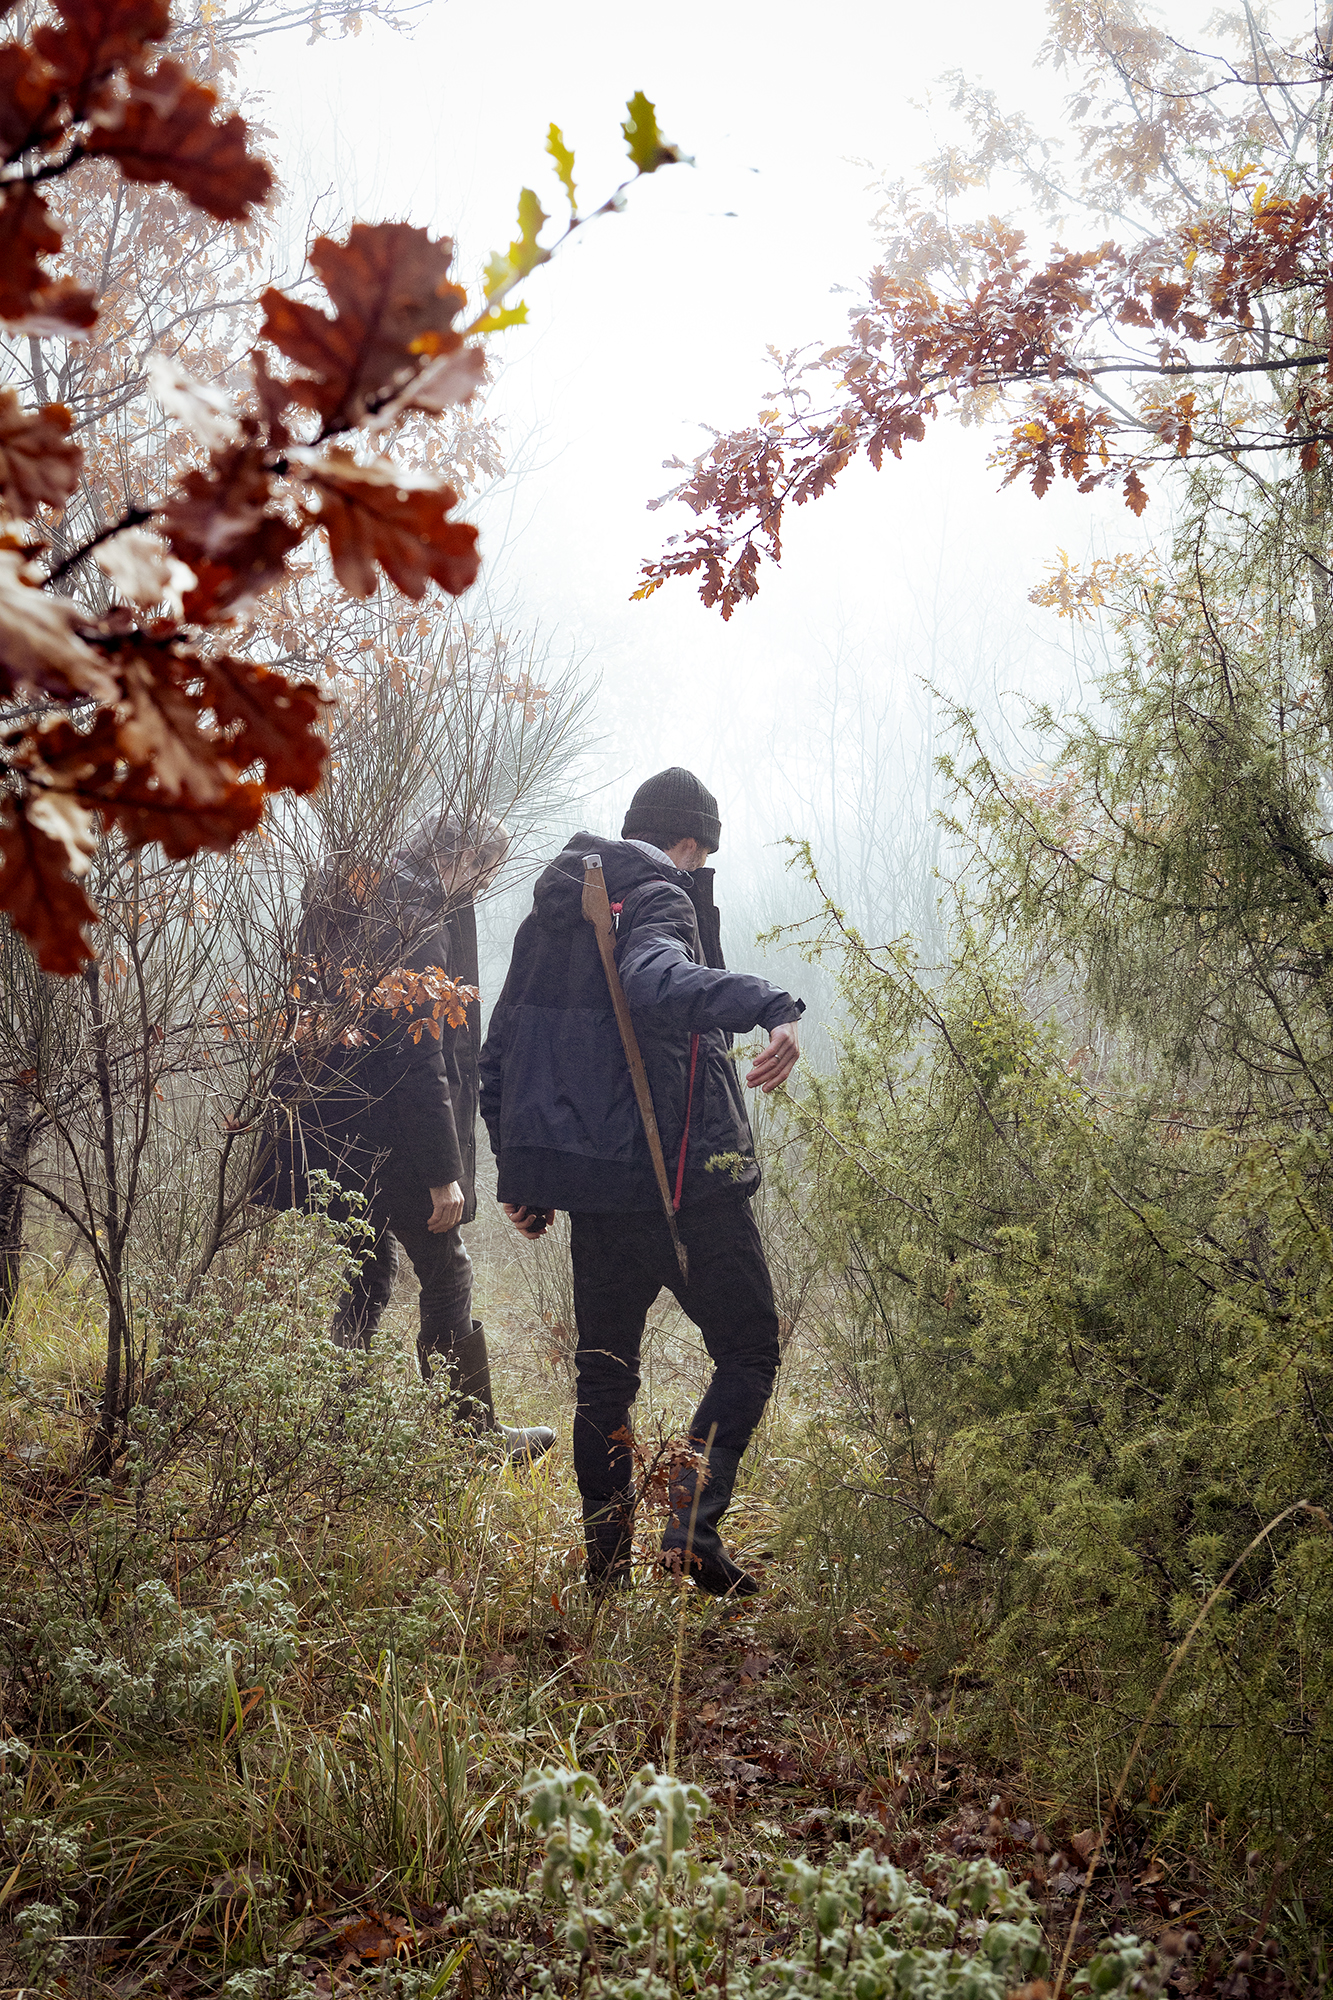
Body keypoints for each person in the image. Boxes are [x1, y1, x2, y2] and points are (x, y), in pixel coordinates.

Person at [479, 768, 802, 1592]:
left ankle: (605, 1579)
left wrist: (526, 1173)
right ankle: (689, 1526)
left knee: (603, 1376)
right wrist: (767, 1000)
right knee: (747, 1349)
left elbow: (501, 1052)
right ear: (688, 845)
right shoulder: (661, 893)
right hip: (687, 1182)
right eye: (701, 857)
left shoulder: (560, 909)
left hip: (599, 1192)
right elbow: (654, 979)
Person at [257, 808, 555, 1465]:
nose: (483, 884)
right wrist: (442, 1171)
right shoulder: (417, 917)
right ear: (461, 857)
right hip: (385, 1137)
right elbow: (418, 1056)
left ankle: (338, 1428)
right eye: (485, 868)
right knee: (445, 1269)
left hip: (338, 1131)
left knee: (367, 1267)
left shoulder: (376, 893)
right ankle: (468, 1436)